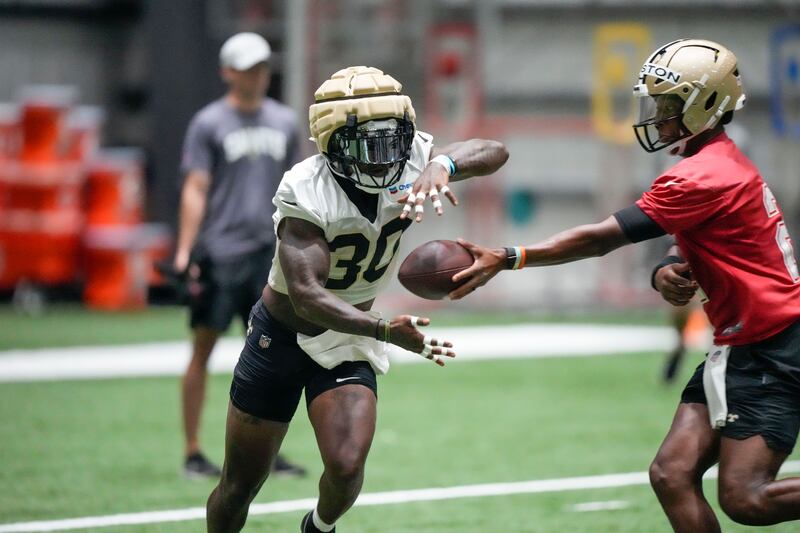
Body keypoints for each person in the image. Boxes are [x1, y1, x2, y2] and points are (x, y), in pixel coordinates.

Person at [450, 39, 800, 531]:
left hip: (771, 347)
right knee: (671, 474)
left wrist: (512, 256)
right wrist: (667, 268)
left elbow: (600, 239)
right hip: (742, 343)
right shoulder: (718, 161)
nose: (657, 116)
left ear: (704, 105)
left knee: (746, 500)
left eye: (668, 105)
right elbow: (697, 237)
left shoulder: (703, 174)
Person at [205, 66, 508, 532]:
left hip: (347, 338)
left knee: (347, 467)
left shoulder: (414, 160)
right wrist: (386, 330)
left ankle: (318, 528)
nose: (386, 156)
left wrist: (441, 164)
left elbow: (494, 151)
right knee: (240, 485)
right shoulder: (305, 190)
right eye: (370, 143)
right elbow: (306, 297)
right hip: (283, 335)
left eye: (394, 140)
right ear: (332, 145)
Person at [175, 32, 306, 479]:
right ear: (227, 71)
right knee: (203, 350)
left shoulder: (285, 122)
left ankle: (269, 450)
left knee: (279, 354)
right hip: (221, 253)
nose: (258, 75)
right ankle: (193, 450)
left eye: (263, 66)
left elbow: (302, 188)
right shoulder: (209, 123)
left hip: (271, 255)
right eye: (249, 67)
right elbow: (196, 187)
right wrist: (184, 249)